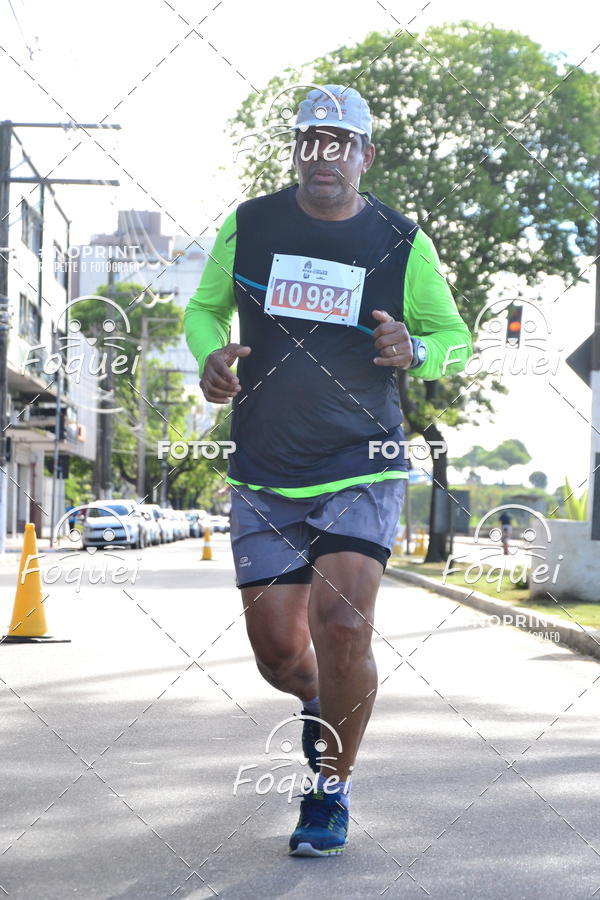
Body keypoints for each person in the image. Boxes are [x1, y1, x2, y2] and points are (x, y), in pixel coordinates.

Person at [185, 85, 472, 857]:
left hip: (364, 458)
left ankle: (330, 792)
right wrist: (208, 356)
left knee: (343, 625)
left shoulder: (401, 241)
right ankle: (317, 702)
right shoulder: (251, 225)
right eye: (312, 139)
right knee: (280, 653)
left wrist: (417, 350)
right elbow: (204, 310)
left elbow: (455, 337)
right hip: (266, 464)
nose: (325, 154)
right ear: (296, 151)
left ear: (364, 155)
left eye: (341, 142)